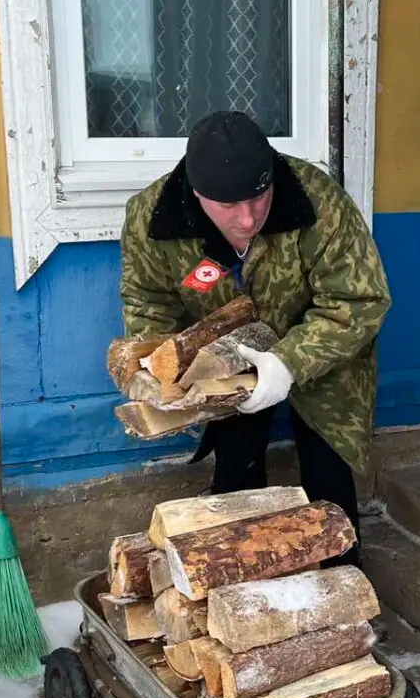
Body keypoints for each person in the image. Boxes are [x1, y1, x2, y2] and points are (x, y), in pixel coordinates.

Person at [118, 111, 391, 567]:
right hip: (224, 358)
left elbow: (360, 300)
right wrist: (158, 370)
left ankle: (345, 586)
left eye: (259, 198)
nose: (247, 219)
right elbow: (147, 303)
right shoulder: (153, 218)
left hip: (318, 347)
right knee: (235, 470)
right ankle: (242, 587)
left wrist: (287, 363)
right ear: (197, 193)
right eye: (229, 206)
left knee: (328, 469)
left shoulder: (319, 200)